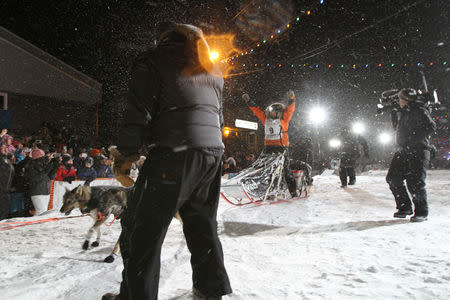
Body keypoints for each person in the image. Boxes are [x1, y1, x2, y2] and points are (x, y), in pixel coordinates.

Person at [103, 22, 232, 300]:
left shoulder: (153, 60)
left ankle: (136, 296)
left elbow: (139, 109)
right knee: (201, 223)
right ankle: (211, 290)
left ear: (163, 40)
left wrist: (126, 151)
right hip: (211, 153)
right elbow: (217, 116)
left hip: (174, 152)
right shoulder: (212, 68)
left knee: (141, 229)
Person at [386, 88, 436, 222]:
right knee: (393, 178)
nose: (399, 102)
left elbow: (431, 126)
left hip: (418, 150)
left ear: (406, 100)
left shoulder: (419, 110)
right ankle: (404, 207)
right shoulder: (403, 111)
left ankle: (421, 212)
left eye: (400, 99)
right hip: (403, 150)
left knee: (415, 182)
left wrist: (413, 139)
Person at [243, 90, 298, 197]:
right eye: (271, 111)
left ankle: (293, 192)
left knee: (285, 170)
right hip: (268, 148)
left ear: (279, 112)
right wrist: (249, 101)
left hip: (282, 148)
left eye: (274, 111)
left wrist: (292, 99)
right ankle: (267, 190)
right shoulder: (265, 119)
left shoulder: (284, 119)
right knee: (265, 169)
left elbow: (290, 110)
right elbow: (256, 111)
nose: (271, 113)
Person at [24, 148, 59, 215]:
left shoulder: (44, 164)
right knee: (41, 211)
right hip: (37, 191)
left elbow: (51, 176)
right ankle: (34, 224)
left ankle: (39, 224)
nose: (44, 158)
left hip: (45, 190)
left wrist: (55, 163)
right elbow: (40, 176)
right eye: (42, 156)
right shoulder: (32, 164)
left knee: (44, 211)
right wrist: (50, 164)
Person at [0, 144, 14, 220]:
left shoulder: (7, 160)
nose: (6, 150)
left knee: (5, 209)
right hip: (2, 189)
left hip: (6, 189)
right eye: (3, 148)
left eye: (6, 148)